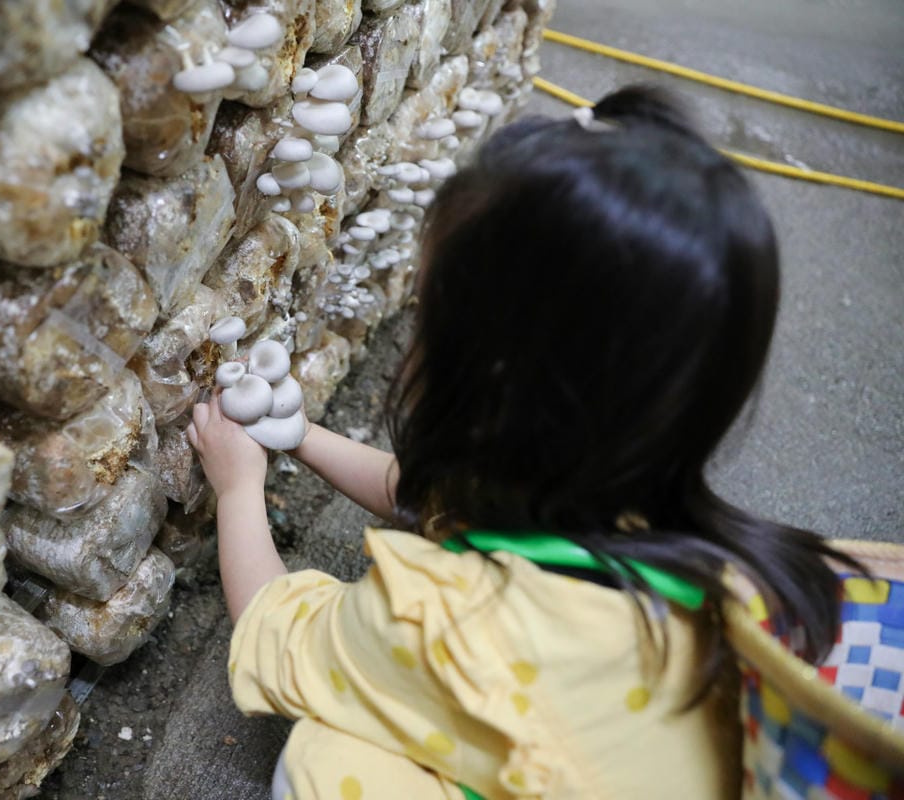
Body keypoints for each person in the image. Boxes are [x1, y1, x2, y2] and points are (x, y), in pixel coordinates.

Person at [186, 85, 853, 799]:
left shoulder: (447, 623)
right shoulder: (661, 532)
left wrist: (238, 488)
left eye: (427, 313)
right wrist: (303, 438)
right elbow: (435, 499)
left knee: (319, 760)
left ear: (489, 379)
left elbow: (276, 628)